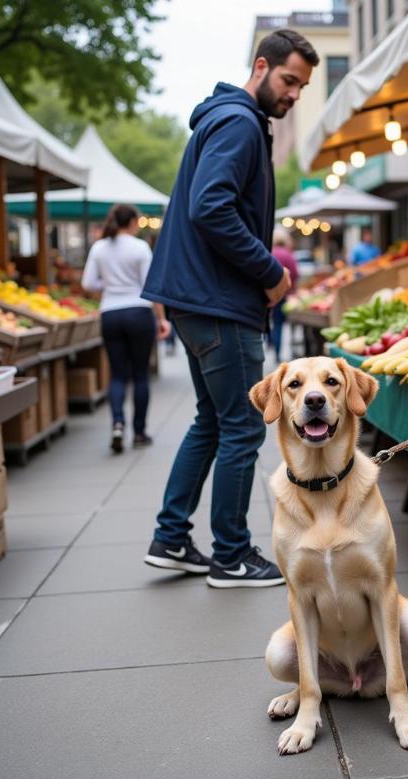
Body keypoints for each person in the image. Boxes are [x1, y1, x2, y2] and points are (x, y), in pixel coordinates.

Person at [141, 29, 319, 588]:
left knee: (214, 423)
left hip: (200, 300)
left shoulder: (230, 120)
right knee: (243, 425)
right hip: (219, 303)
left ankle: (171, 539)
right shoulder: (240, 122)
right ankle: (232, 556)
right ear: (261, 66)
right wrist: (270, 272)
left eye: (302, 87)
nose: (293, 94)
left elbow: (210, 206)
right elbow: (210, 207)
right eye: (289, 80)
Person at [81, 204, 171, 453]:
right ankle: (139, 432)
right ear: (131, 221)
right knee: (140, 374)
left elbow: (88, 282)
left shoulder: (99, 247)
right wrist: (162, 319)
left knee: (118, 374)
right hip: (138, 311)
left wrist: (110, 286)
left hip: (110, 311)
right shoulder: (139, 247)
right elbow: (150, 286)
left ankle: (117, 423)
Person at [269, 228, 299, 361]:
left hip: (265, 294)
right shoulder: (288, 255)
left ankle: (270, 342)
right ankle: (277, 353)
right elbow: (295, 274)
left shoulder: (269, 252)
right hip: (283, 295)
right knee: (279, 324)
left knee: (268, 321)